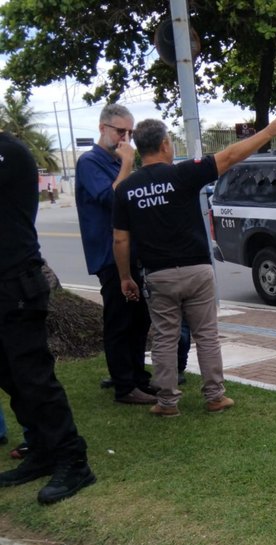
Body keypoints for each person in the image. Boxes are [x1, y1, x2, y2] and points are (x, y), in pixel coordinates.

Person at [112, 112, 276, 417]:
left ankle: (167, 402)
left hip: (158, 275)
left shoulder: (126, 189)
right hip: (197, 270)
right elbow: (232, 154)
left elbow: (120, 240)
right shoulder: (183, 174)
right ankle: (214, 396)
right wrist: (269, 131)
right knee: (206, 334)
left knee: (165, 337)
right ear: (164, 144)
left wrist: (125, 277)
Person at [0, 131, 95, 504]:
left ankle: (73, 459)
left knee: (34, 379)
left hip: (16, 284)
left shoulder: (9, 152)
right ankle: (40, 449)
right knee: (10, 377)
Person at [75, 104, 155, 405]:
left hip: (131, 253)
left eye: (129, 133)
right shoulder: (90, 161)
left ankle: (138, 378)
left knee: (139, 320)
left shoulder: (115, 160)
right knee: (120, 320)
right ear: (102, 128)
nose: (125, 139)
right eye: (120, 131)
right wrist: (126, 166)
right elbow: (113, 198)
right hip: (109, 256)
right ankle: (124, 385)